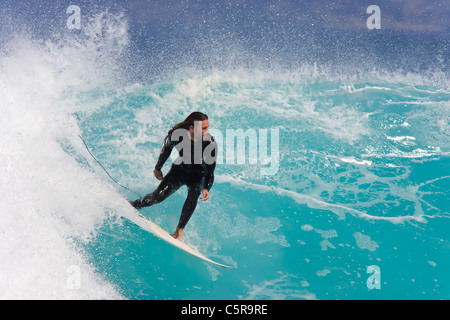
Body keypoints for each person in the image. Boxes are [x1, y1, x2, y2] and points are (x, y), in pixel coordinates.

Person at [130, 112, 217, 241]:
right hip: (179, 171)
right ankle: (134, 205)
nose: (207, 131)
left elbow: (211, 169)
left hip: (198, 176)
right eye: (203, 128)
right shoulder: (178, 135)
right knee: (156, 197)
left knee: (193, 196)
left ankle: (178, 232)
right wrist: (157, 168)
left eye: (207, 127)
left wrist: (206, 188)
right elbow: (166, 150)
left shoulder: (209, 143)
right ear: (192, 128)